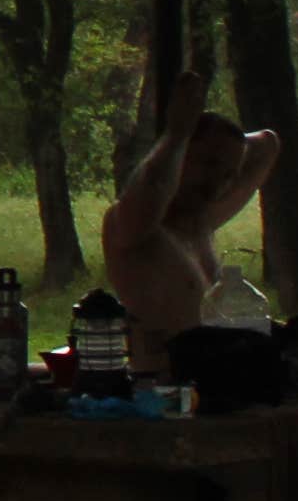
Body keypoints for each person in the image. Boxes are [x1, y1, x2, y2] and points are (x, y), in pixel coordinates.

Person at [104, 98, 283, 355]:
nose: (216, 182)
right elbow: (151, 184)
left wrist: (226, 146)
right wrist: (177, 136)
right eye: (208, 163)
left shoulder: (202, 222)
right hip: (164, 387)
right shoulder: (133, 226)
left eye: (228, 174)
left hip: (216, 386)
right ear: (179, 156)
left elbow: (268, 143)